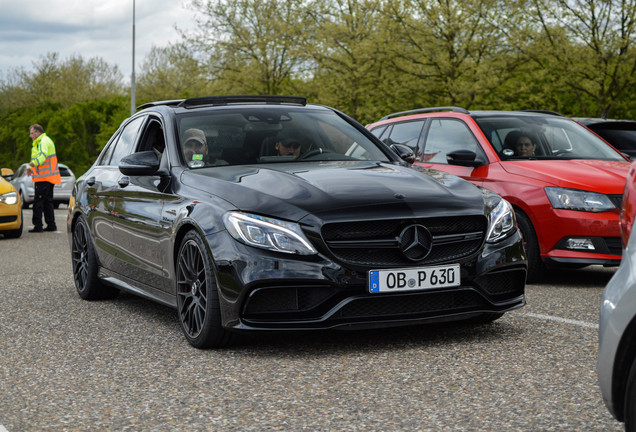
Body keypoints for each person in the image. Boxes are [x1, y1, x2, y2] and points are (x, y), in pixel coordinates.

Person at [26, 124, 61, 232]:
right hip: (49, 177)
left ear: (37, 133)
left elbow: (42, 155)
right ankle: (51, 225)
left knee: (38, 202)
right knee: (47, 202)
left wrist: (32, 164)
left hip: (43, 178)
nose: (30, 136)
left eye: (32, 133)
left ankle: (38, 225)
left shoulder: (42, 141)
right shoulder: (46, 140)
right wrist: (32, 169)